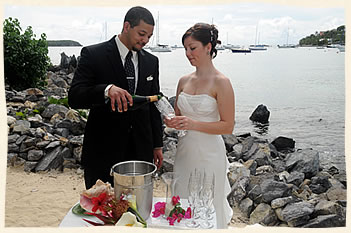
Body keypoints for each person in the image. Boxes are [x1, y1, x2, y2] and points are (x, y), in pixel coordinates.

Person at [68, 6, 163, 189]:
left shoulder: (152, 61)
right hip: (103, 150)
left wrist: (157, 145)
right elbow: (75, 97)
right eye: (141, 34)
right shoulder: (93, 54)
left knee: (137, 211)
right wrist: (106, 90)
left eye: (149, 36)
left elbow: (153, 105)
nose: (145, 40)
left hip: (140, 153)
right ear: (126, 26)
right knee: (100, 211)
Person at [164, 23, 234, 229]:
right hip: (184, 152)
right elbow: (178, 118)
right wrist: (171, 121)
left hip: (210, 155)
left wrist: (193, 123)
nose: (187, 53)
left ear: (208, 47)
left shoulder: (222, 82)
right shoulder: (183, 81)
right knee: (182, 203)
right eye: (185, 48)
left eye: (192, 48)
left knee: (208, 206)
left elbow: (228, 126)